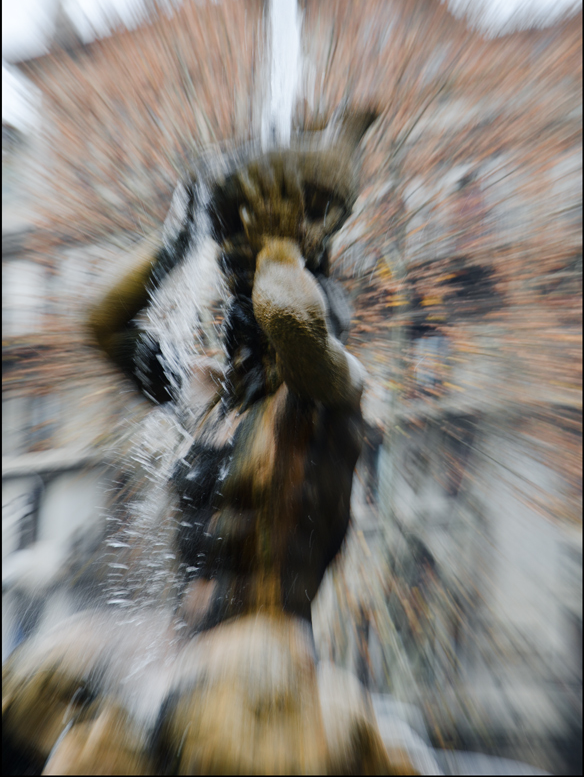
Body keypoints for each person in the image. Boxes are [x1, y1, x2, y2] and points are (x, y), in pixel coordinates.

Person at [3, 109, 422, 774]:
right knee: (38, 677)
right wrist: (177, 240)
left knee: (212, 712)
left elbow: (292, 321)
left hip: (268, 652)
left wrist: (278, 241)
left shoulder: (334, 394)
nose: (237, 302)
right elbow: (103, 325)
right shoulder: (206, 397)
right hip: (181, 640)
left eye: (248, 281)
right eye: (236, 280)